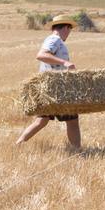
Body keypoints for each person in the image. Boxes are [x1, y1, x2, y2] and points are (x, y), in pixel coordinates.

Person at [17, 14, 82, 151]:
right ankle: (77, 151)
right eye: (69, 30)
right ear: (65, 27)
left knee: (42, 120)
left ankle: (19, 144)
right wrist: (65, 62)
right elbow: (41, 55)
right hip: (57, 88)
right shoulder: (55, 40)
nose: (69, 33)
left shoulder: (55, 40)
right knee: (72, 121)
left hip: (48, 87)